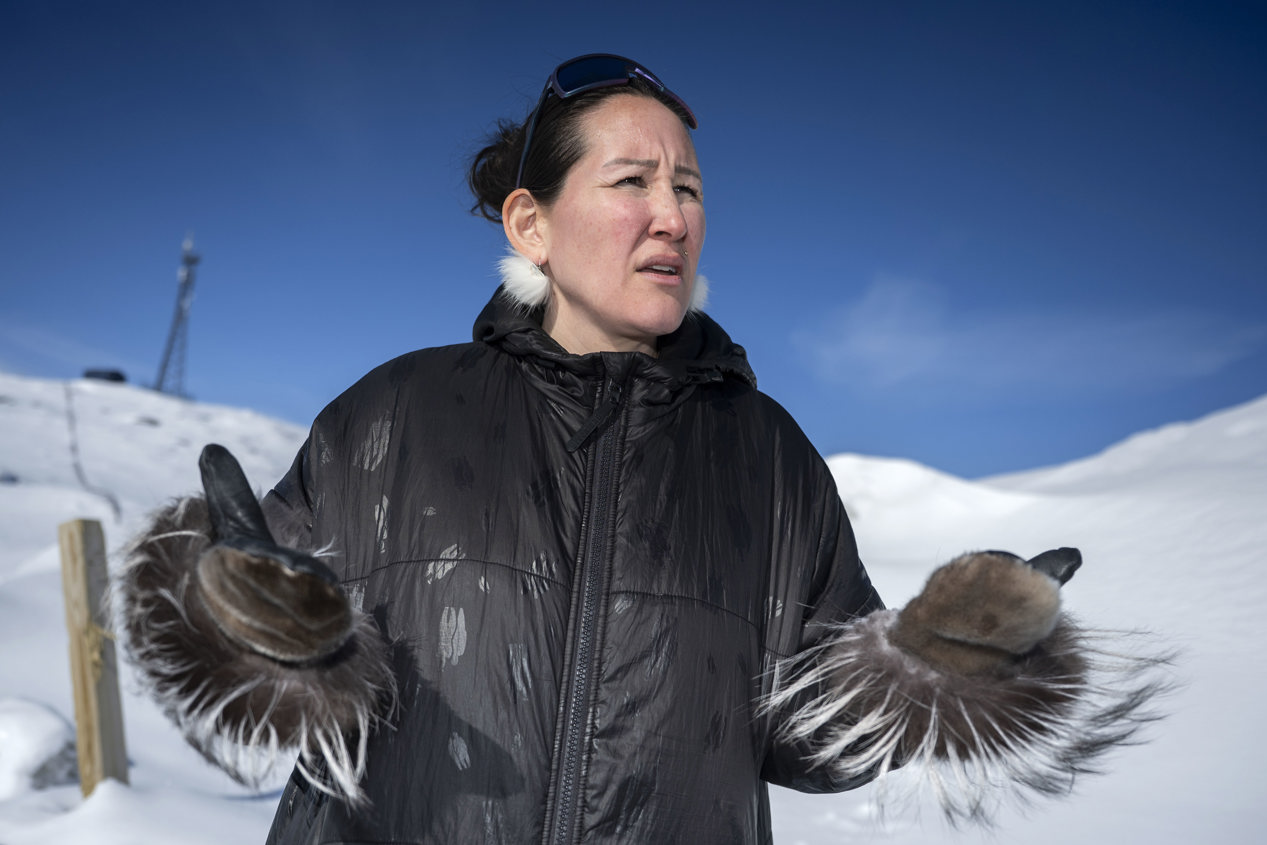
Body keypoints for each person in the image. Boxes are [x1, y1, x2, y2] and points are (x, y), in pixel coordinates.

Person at [119, 54, 1168, 844]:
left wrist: (934, 671)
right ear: (532, 224)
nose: (670, 215)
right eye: (631, 182)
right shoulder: (394, 412)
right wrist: (240, 615)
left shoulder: (765, 456)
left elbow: (809, 737)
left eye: (690, 188)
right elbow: (268, 653)